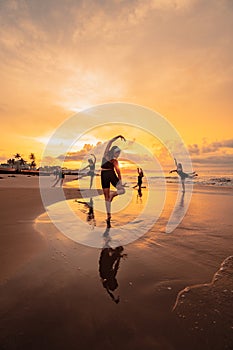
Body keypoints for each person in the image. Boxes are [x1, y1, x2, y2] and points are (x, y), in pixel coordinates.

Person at [101, 135, 126, 228]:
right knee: (106, 198)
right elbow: (110, 142)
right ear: (114, 151)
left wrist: (120, 182)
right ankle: (108, 215)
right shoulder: (106, 155)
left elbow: (119, 173)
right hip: (104, 176)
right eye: (117, 153)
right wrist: (118, 136)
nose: (118, 155)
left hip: (112, 175)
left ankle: (113, 194)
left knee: (122, 190)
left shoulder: (115, 162)